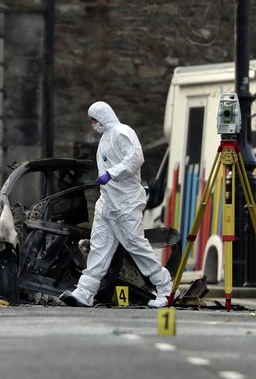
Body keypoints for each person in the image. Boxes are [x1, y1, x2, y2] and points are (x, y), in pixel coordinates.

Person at [60, 101, 176, 308]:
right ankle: (84, 292)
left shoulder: (122, 132)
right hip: (108, 202)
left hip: (125, 203)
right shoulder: (106, 138)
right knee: (99, 248)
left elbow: (135, 158)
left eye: (94, 120)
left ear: (103, 116)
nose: (93, 124)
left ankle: (166, 289)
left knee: (136, 246)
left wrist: (111, 174)